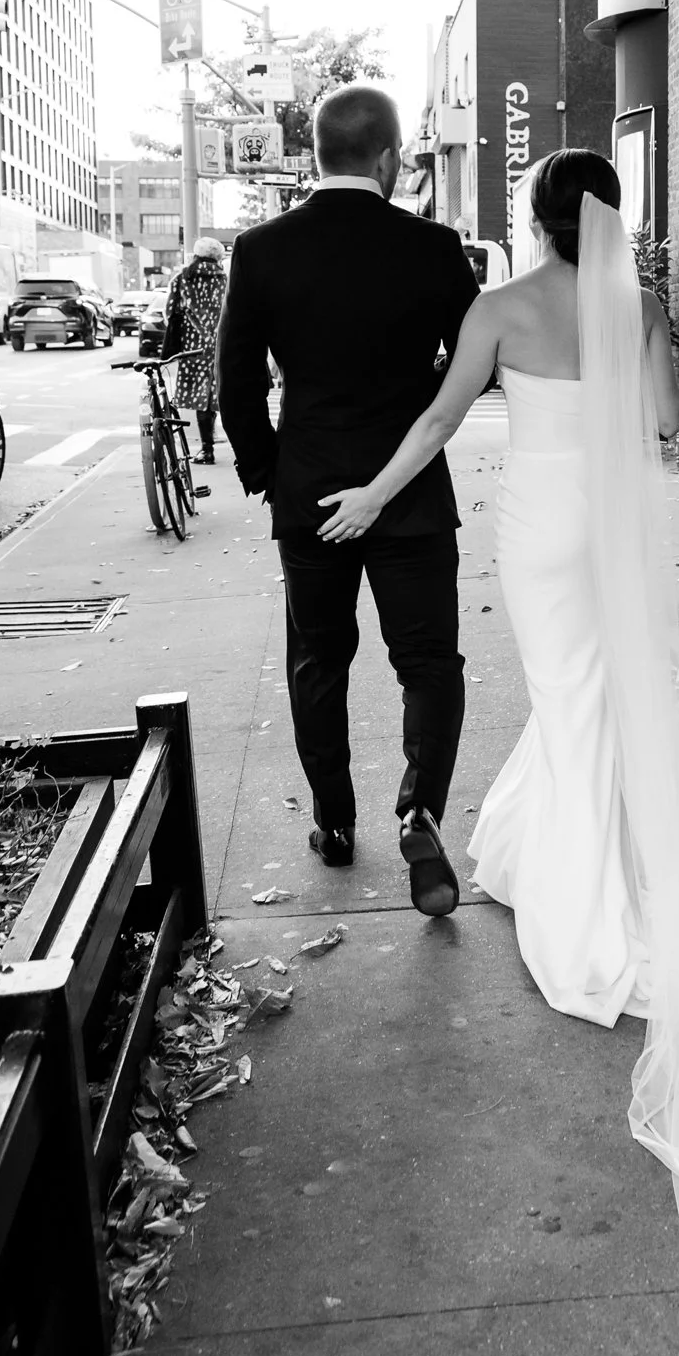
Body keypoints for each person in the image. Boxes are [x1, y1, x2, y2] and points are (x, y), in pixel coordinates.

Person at [317, 148, 679, 1356]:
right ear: (613, 222)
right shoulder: (638, 309)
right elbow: (668, 427)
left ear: (533, 217)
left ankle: (585, 916)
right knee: (607, 707)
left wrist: (369, 495)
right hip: (617, 525)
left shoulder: (497, 309)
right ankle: (598, 875)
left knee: (569, 700)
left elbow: (435, 418)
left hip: (538, 526)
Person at [217, 86, 477, 914]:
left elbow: (236, 388)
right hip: (410, 496)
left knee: (317, 664)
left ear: (318, 154)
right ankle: (420, 809)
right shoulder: (435, 247)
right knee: (429, 664)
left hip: (312, 500)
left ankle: (334, 821)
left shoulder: (259, 250)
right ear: (391, 158)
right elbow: (473, 365)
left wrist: (272, 476)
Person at [163, 237, 228, 463]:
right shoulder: (226, 279)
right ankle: (234, 449)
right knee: (219, 393)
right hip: (222, 343)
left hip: (193, 347)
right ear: (219, 257)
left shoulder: (183, 278)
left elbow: (170, 311)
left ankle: (207, 449)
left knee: (201, 395)